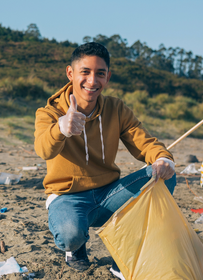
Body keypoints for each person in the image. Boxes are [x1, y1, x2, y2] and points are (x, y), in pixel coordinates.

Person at [34, 42, 176, 273]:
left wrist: (162, 158)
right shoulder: (49, 112)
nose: (92, 81)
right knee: (71, 235)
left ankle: (125, 256)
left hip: (110, 194)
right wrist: (61, 128)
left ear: (108, 77)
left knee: (162, 175)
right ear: (70, 73)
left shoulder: (116, 108)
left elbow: (143, 142)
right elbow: (43, 149)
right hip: (68, 197)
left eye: (100, 74)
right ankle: (76, 247)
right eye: (85, 72)